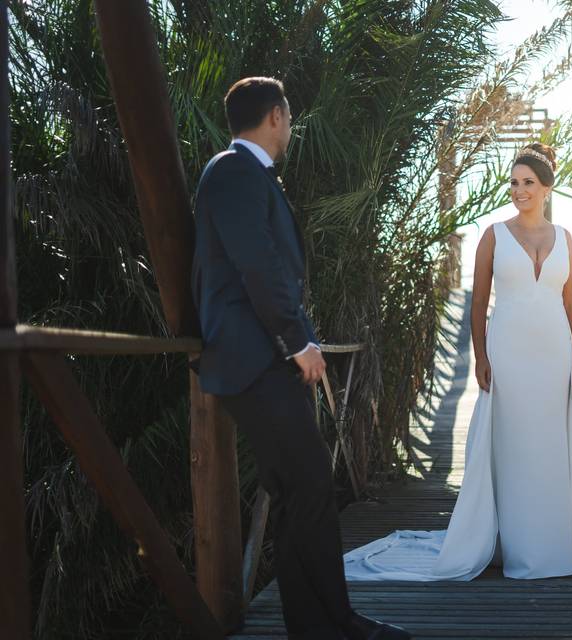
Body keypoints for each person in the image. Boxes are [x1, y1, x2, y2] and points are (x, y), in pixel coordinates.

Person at [342, 143, 572, 581]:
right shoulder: (494, 235)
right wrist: (480, 355)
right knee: (511, 442)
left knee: (548, 442)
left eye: (528, 183)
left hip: (553, 350)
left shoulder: (565, 237)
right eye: (514, 183)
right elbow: (478, 303)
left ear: (547, 188)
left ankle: (548, 541)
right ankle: (508, 541)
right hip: (508, 349)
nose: (519, 190)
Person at [191, 76, 410, 640]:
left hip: (266, 359)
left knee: (301, 491)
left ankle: (324, 624)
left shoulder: (245, 175)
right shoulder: (233, 171)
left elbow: (270, 271)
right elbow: (258, 267)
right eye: (288, 117)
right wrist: (299, 342)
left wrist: (295, 342)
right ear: (274, 117)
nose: (290, 127)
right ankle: (331, 625)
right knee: (309, 485)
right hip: (254, 359)